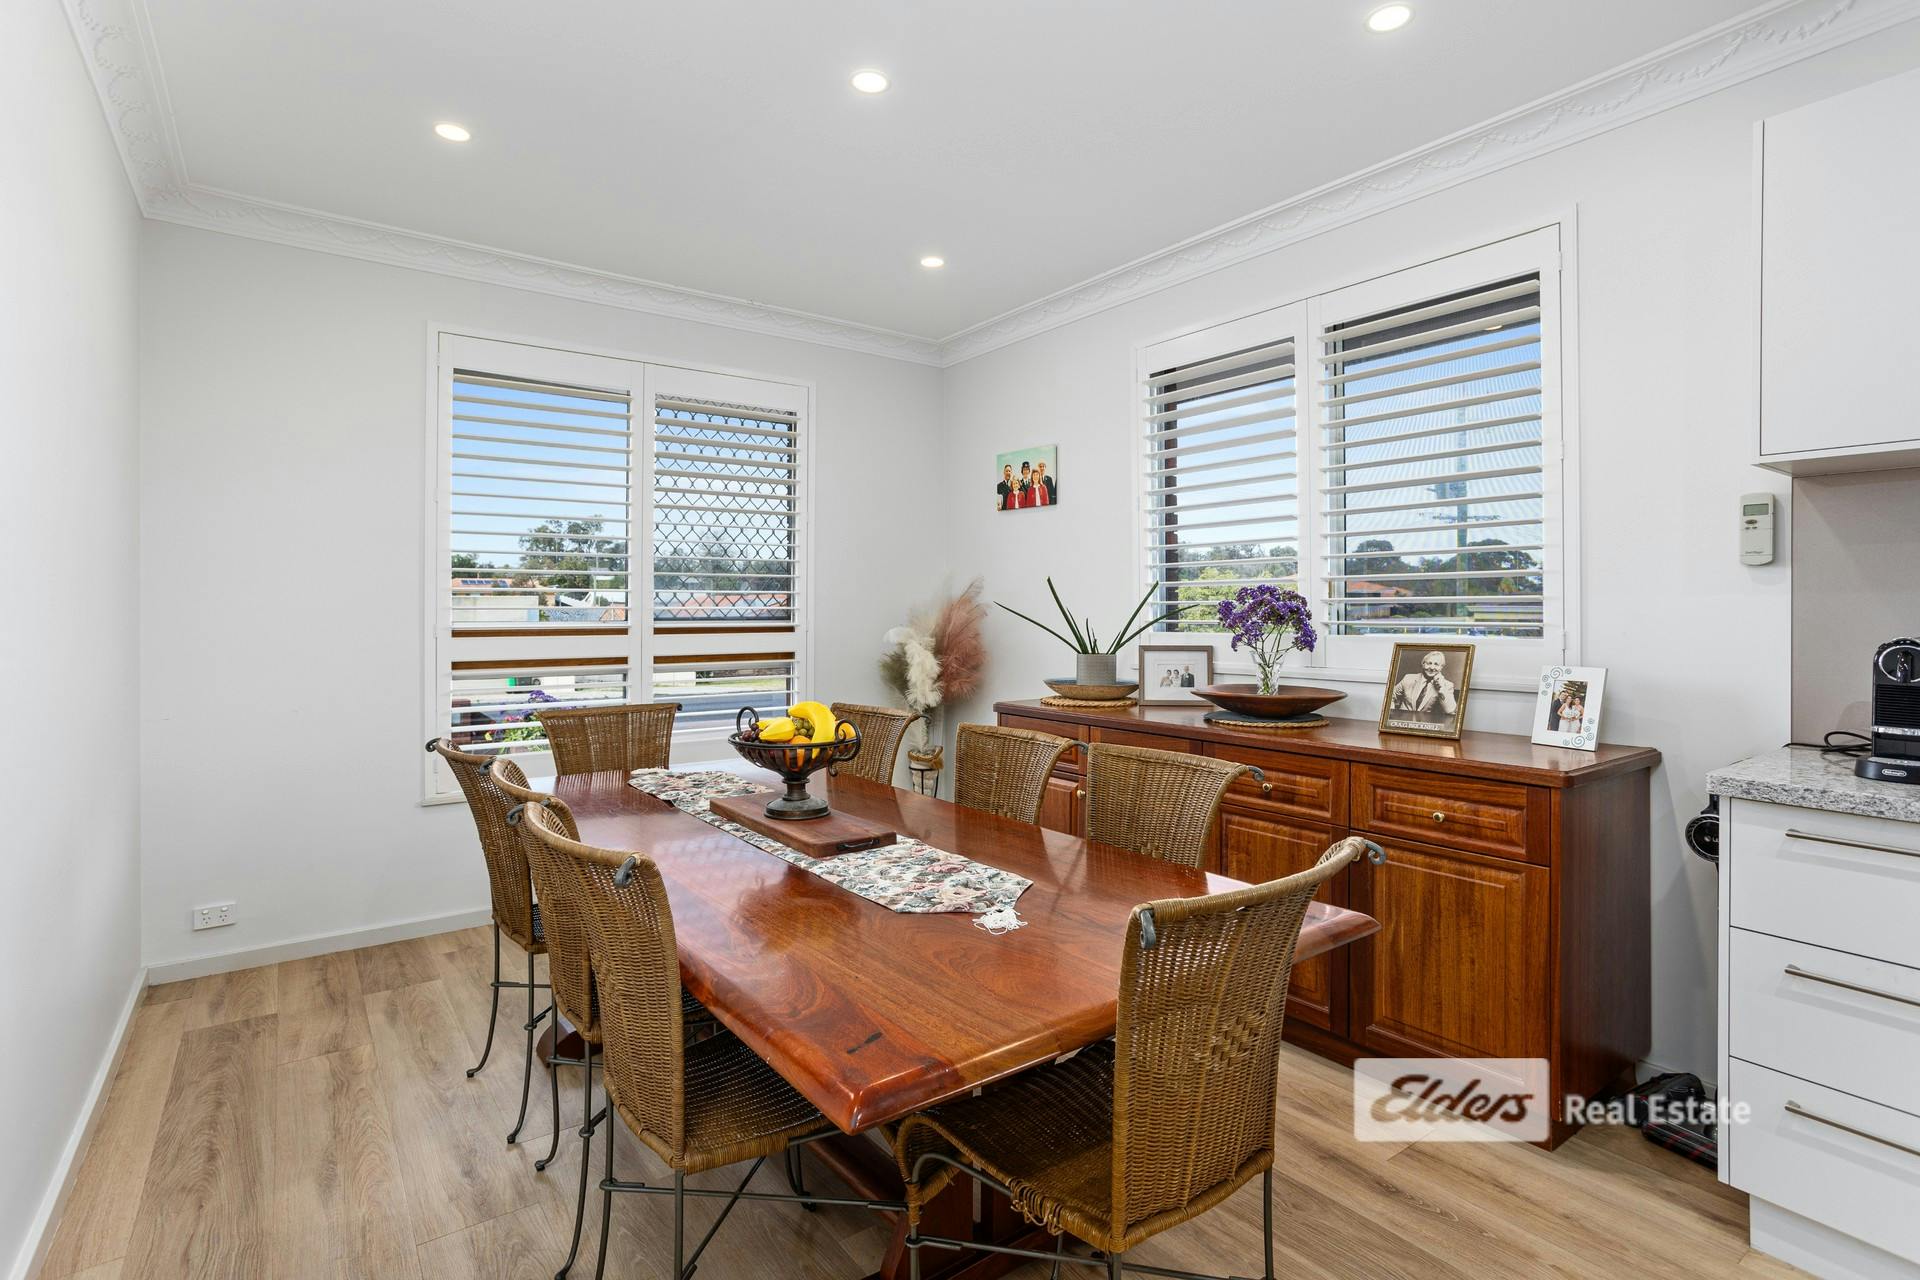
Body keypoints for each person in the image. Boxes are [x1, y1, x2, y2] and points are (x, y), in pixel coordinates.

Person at [1390, 650, 1459, 724]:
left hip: (1426, 725)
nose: (1432, 667)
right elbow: (1390, 696)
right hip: (1403, 723)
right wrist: (1392, 714)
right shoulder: (1408, 678)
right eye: (1429, 663)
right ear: (1423, 664)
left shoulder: (1447, 685)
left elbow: (1450, 711)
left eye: (1436, 664)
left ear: (1441, 667)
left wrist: (1441, 688)